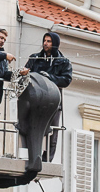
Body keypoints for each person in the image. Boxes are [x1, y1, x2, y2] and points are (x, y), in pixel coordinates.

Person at [22, 30, 72, 158]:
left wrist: (50, 78)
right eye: (44, 41)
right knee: (32, 128)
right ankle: (31, 155)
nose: (45, 43)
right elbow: (27, 75)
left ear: (55, 43)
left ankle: (47, 158)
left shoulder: (63, 61)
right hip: (35, 101)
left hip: (54, 101)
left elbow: (66, 80)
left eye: (49, 41)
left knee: (52, 133)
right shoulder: (35, 58)